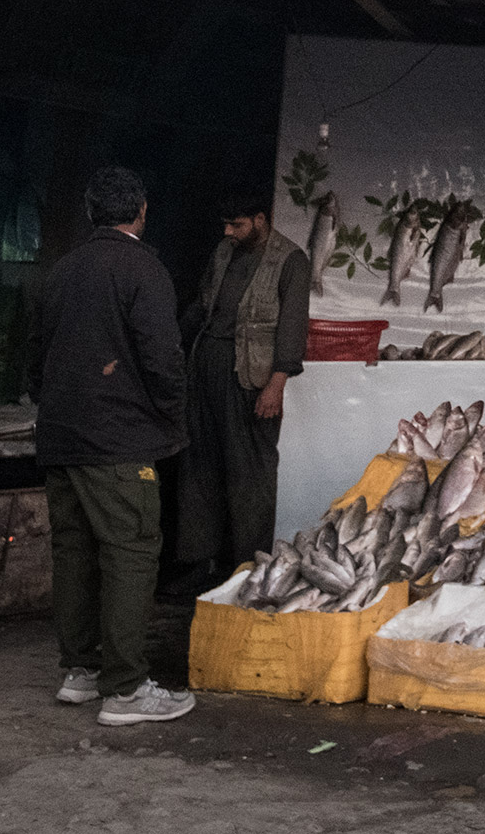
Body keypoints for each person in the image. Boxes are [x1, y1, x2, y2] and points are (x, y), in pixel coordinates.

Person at [30, 166, 194, 727]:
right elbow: (163, 358)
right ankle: (125, 689)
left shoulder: (62, 270)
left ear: (89, 211)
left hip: (61, 434)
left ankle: (80, 671)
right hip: (116, 439)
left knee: (74, 552)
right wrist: (173, 414)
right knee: (130, 552)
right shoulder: (143, 269)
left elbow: (38, 351)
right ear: (141, 212)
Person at [175, 189, 310, 584]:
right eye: (226, 224)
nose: (229, 231)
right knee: (200, 468)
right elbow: (203, 305)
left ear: (261, 219)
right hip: (207, 367)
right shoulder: (223, 251)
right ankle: (200, 565)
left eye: (237, 224)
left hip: (251, 379)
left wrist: (277, 384)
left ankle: (247, 569)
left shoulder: (291, 260)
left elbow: (292, 327)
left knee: (250, 474)